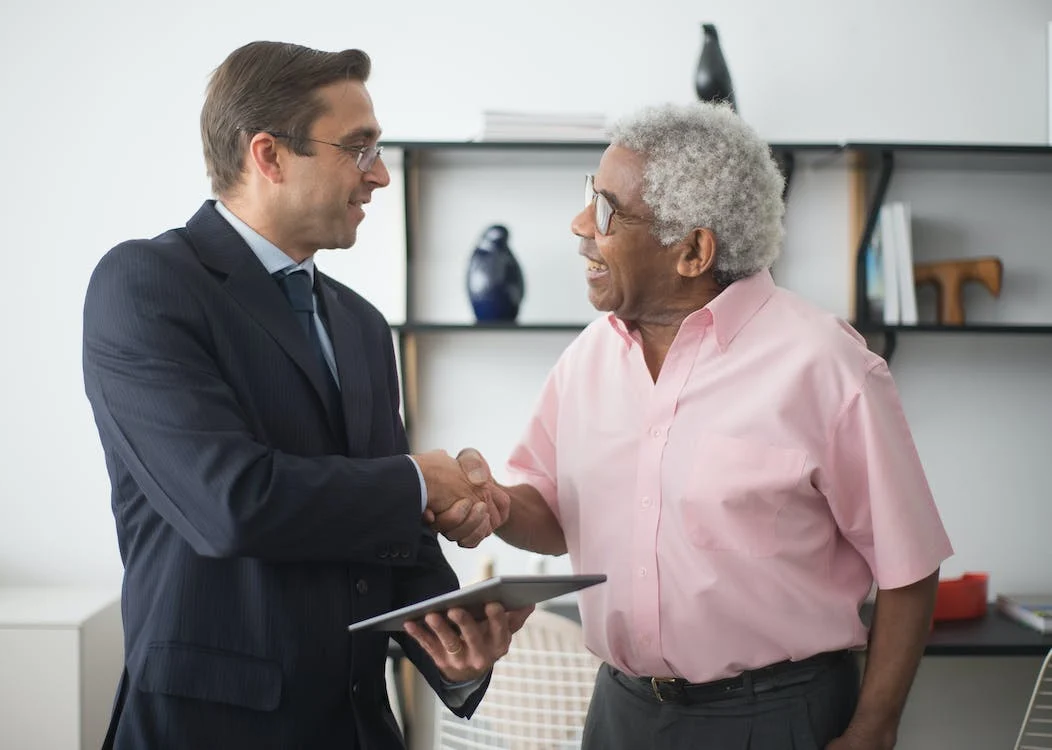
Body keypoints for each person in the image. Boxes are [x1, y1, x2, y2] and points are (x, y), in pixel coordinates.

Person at [82, 41, 527, 750]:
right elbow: (231, 503)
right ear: (269, 155)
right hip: (207, 731)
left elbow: (392, 537)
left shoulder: (361, 325)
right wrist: (420, 480)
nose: (379, 175)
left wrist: (455, 643)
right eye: (358, 149)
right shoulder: (144, 285)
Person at [482, 102, 953, 749]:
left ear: (694, 250)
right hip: (620, 712)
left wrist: (875, 725)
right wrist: (491, 502)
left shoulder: (825, 363)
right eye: (589, 197)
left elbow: (909, 565)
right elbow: (552, 516)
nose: (579, 226)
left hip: (776, 717)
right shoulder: (588, 357)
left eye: (607, 210)